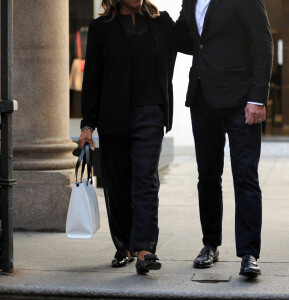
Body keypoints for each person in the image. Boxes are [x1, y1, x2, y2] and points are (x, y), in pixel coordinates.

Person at [78, 0, 189, 275]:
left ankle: (144, 250)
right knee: (118, 182)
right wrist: (87, 125)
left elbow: (187, 43)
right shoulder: (101, 27)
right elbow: (92, 76)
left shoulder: (160, 20)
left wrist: (190, 7)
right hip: (113, 115)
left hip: (151, 112)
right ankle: (124, 245)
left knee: (145, 179)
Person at [175, 0, 273, 277]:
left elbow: (264, 44)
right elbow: (189, 39)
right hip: (202, 98)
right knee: (207, 176)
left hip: (241, 100)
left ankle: (249, 253)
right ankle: (210, 245)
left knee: (245, 177)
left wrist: (258, 98)